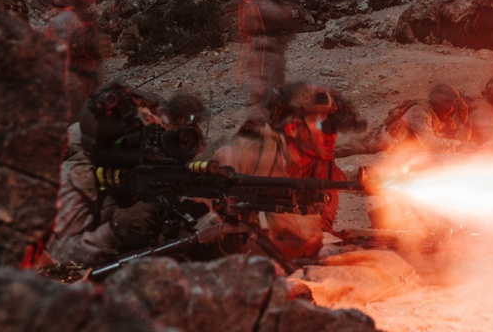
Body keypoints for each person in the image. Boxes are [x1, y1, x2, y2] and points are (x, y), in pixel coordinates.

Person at [42, 81, 207, 279]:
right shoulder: (78, 175)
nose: (156, 128)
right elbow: (59, 254)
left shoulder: (151, 167)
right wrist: (115, 232)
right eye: (144, 125)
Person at [201, 81, 366, 263]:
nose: (331, 135)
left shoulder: (328, 174)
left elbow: (321, 229)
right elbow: (198, 205)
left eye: (334, 127)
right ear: (292, 128)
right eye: (324, 126)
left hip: (283, 258)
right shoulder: (249, 154)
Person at [334, 83, 469, 157]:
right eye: (450, 104)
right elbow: (429, 143)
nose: (452, 109)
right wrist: (457, 144)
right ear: (440, 101)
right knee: (340, 149)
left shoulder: (438, 115)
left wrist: (464, 121)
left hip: (390, 146)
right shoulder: (421, 112)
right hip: (376, 141)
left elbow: (459, 140)